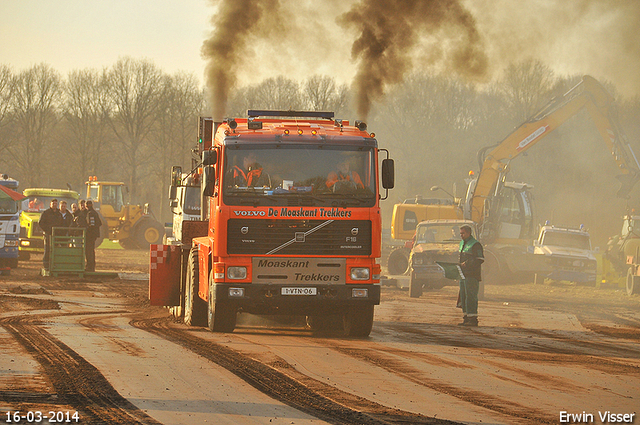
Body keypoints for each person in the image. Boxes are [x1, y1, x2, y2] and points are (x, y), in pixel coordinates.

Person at [458, 225, 484, 326]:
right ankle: (466, 318)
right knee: (463, 297)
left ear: (469, 233)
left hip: (472, 275)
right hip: (463, 275)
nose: (461, 235)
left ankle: (473, 319)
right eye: (460, 233)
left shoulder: (476, 245)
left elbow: (480, 259)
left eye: (463, 233)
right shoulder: (462, 243)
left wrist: (468, 263)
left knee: (471, 297)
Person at [39, 199, 63, 270]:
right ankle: (46, 265)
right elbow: (41, 223)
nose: (54, 205)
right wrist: (48, 230)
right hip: (48, 234)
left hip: (57, 235)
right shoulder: (45, 213)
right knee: (47, 249)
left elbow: (62, 223)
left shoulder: (59, 213)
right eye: (53, 204)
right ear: (50, 204)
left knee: (56, 249)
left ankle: (55, 264)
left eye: (55, 204)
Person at [85, 200, 102, 272]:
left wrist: (87, 229)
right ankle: (91, 266)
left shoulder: (90, 213)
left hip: (90, 235)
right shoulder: (95, 213)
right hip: (94, 235)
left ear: (86, 206)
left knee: (89, 251)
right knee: (91, 250)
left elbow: (91, 224)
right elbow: (100, 223)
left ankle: (90, 267)